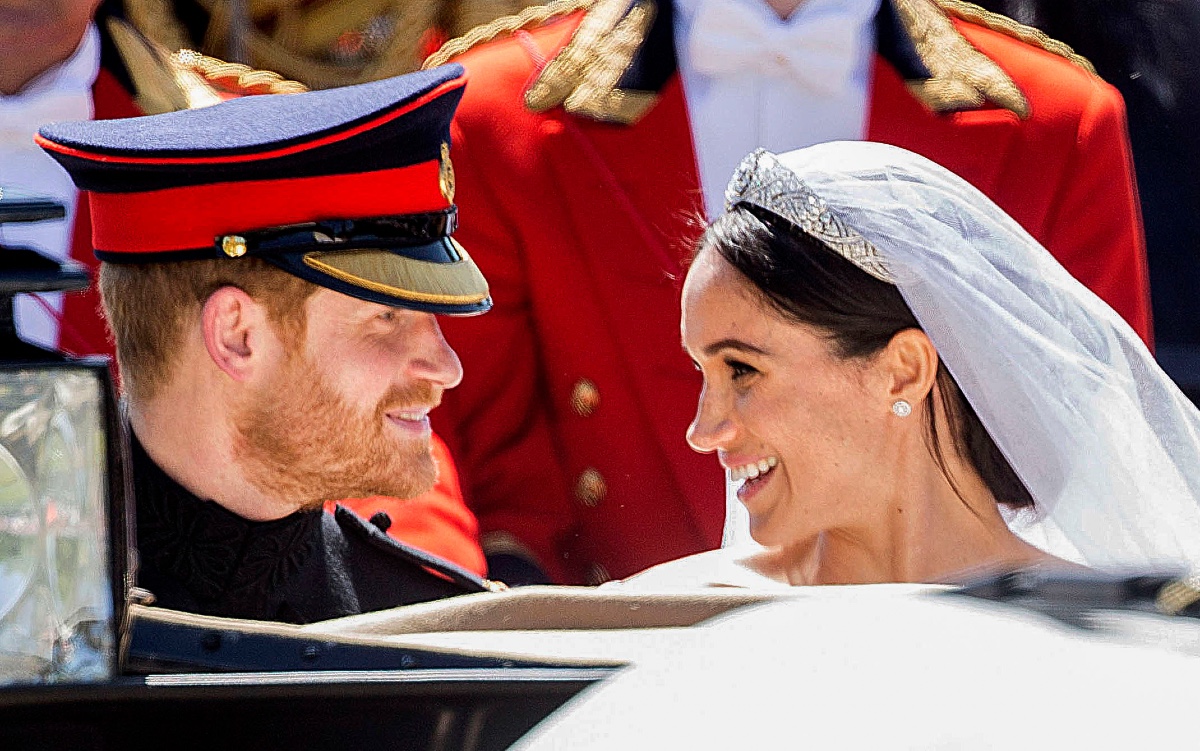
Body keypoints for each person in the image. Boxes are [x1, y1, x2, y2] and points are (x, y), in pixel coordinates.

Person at [423, 0, 1153, 585]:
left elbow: (1095, 455)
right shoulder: (489, 117)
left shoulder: (1056, 123)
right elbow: (416, 426)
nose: (705, 432)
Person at [35, 65, 503, 622]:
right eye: (387, 317)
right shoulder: (27, 617)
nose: (446, 367)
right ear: (237, 335)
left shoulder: (423, 627)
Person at [624, 140, 1200, 588]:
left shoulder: (1112, 643)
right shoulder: (667, 623)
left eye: (741, 371)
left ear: (902, 370)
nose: (702, 433)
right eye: (706, 375)